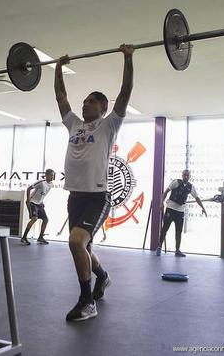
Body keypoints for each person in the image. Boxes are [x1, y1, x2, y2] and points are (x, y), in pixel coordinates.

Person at [55, 44, 135, 322]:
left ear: (103, 107)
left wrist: (128, 57)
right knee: (84, 247)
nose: (84, 103)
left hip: (97, 197)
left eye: (91, 101)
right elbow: (61, 97)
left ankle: (86, 301)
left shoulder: (109, 125)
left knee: (76, 241)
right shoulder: (74, 124)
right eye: (84, 100)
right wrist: (57, 67)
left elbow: (125, 93)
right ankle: (103, 277)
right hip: (74, 196)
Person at [156, 170, 208, 257]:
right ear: (182, 175)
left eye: (188, 176)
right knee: (165, 229)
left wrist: (203, 208)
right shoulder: (176, 182)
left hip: (180, 211)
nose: (186, 177)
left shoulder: (190, 186)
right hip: (170, 208)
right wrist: (161, 203)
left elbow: (197, 198)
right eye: (185, 175)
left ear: (190, 176)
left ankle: (177, 251)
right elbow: (166, 192)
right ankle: (159, 248)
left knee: (178, 232)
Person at [20, 169, 56, 245]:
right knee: (34, 219)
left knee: (45, 219)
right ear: (46, 175)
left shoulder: (51, 184)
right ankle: (24, 237)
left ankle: (40, 237)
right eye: (51, 175)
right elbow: (29, 189)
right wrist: (28, 200)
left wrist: (42, 201)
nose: (52, 177)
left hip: (39, 203)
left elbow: (43, 194)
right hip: (32, 202)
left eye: (53, 175)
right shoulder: (41, 182)